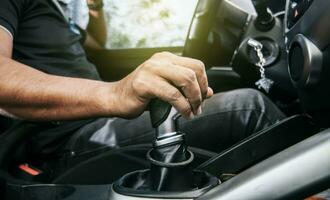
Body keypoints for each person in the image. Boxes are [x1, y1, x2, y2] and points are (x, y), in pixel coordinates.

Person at [0, 0, 285, 176]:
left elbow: (98, 42)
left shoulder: (58, 11)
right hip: (63, 142)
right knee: (249, 109)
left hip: (93, 123)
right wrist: (115, 93)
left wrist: (93, 4)